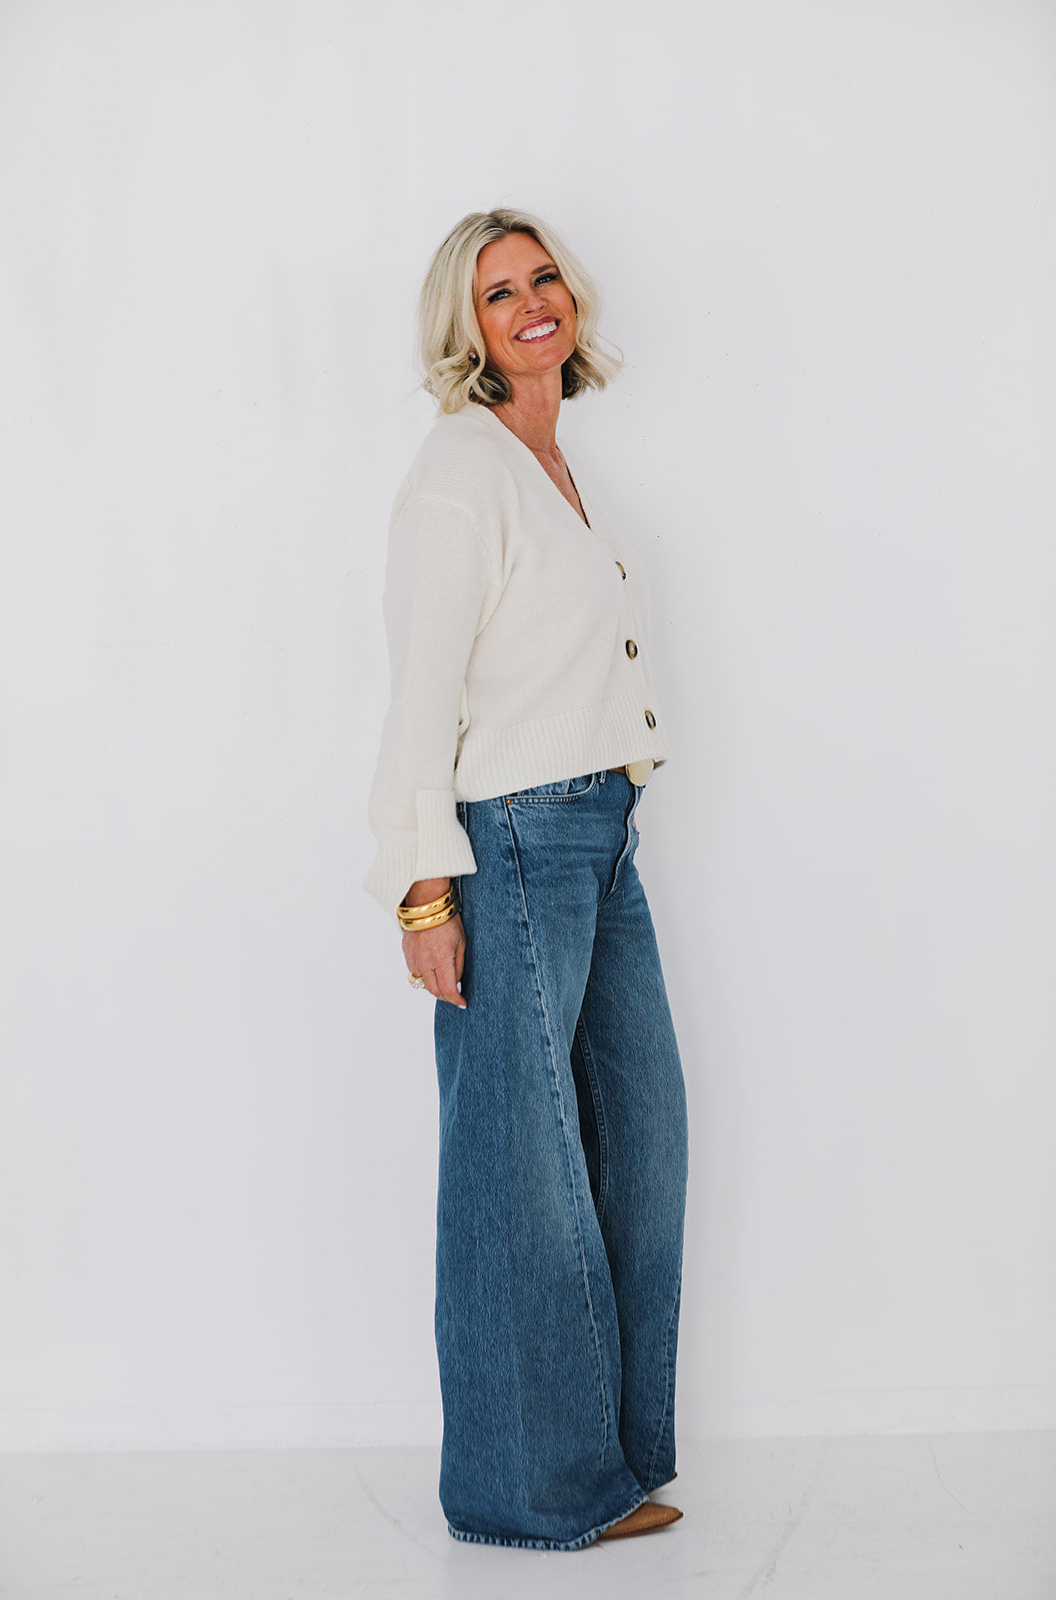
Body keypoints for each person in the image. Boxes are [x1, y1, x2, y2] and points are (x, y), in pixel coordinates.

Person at [364, 208, 688, 1551]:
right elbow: (421, 694)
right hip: (508, 841)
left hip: (601, 837)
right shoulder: (462, 467)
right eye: (500, 292)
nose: (533, 301)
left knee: (638, 1142)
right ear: (469, 328)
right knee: (522, 1170)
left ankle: (607, 1464)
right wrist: (422, 889)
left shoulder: (551, 463)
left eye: (544, 277)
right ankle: (523, 1489)